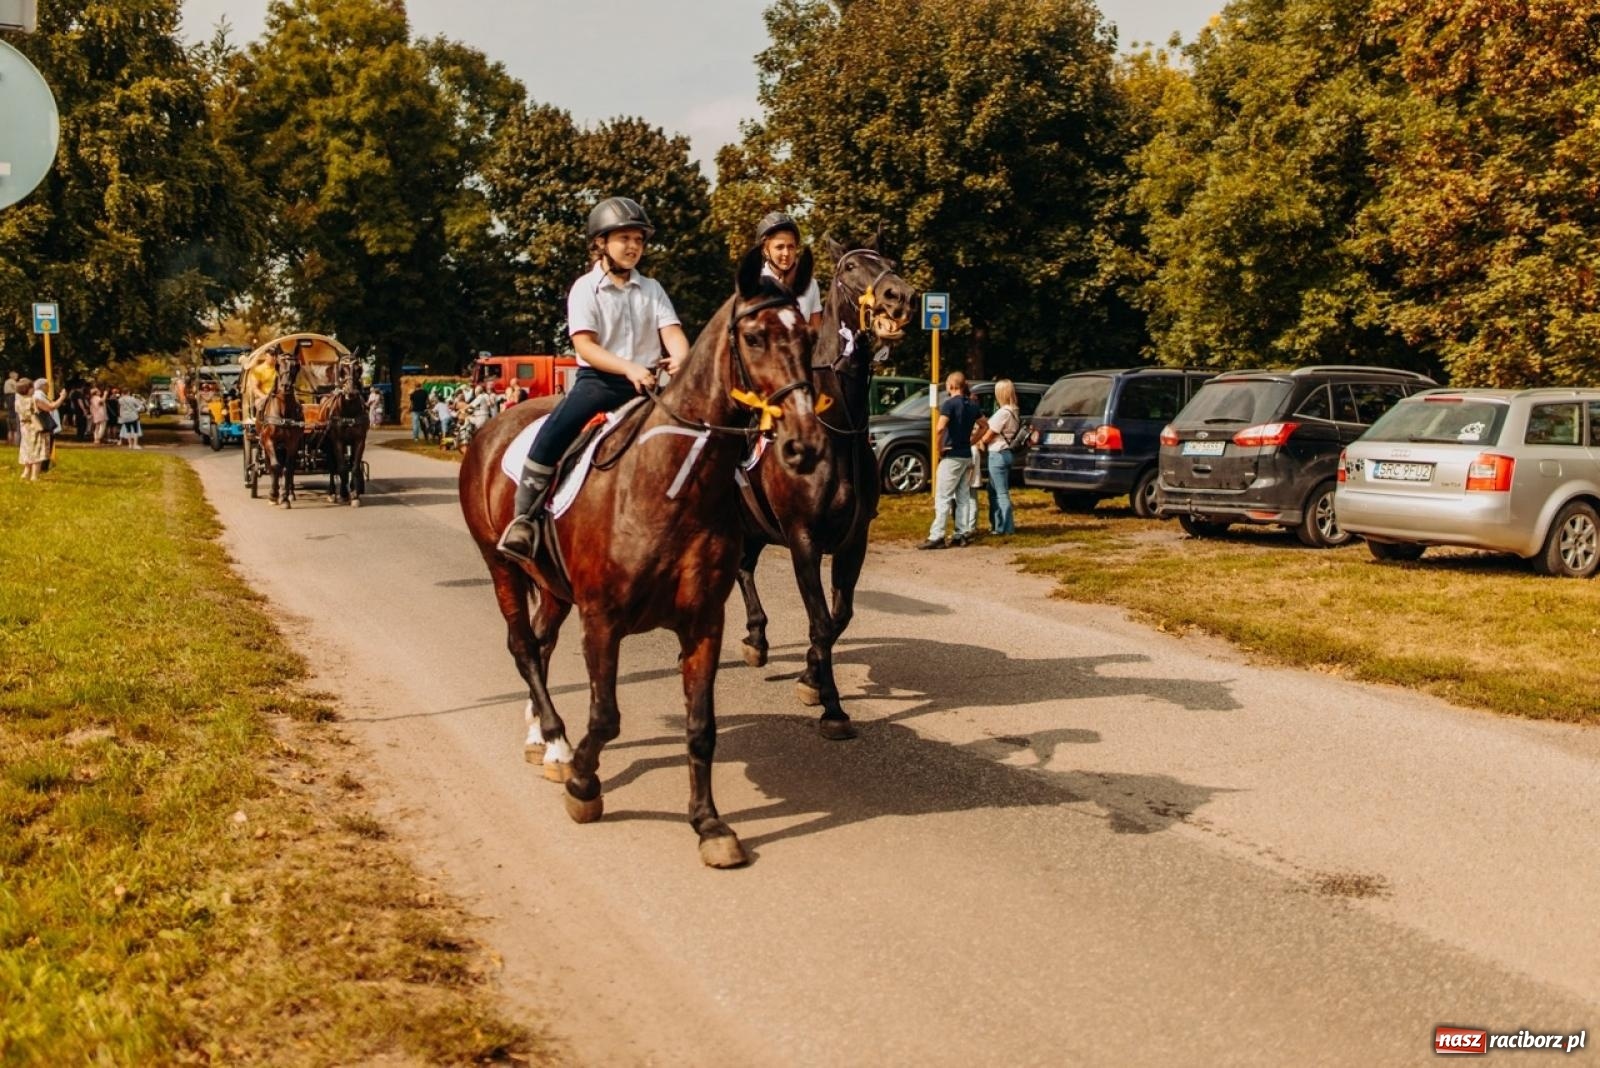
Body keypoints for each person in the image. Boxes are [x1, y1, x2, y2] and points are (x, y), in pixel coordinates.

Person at [498, 195, 690, 562]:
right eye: (624, 238)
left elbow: (673, 332)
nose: (633, 246)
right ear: (601, 242)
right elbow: (585, 346)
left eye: (639, 240)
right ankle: (524, 519)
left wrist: (682, 357)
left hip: (649, 386)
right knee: (554, 431)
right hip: (600, 383)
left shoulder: (652, 288)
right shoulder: (585, 288)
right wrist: (629, 367)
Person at [919, 371, 982, 549]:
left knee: (943, 496)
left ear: (952, 385)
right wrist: (972, 441)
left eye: (947, 384)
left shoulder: (949, 404)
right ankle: (961, 534)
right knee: (963, 496)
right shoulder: (972, 405)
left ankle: (937, 535)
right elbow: (984, 426)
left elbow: (940, 428)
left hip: (951, 454)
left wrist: (938, 448)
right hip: (966, 455)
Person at [753, 211, 823, 331]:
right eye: (779, 247)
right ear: (765, 250)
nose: (786, 253)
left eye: (791, 247)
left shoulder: (811, 285)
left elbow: (816, 332)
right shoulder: (754, 285)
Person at [978, 378, 1023, 535]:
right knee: (993, 489)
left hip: (997, 454)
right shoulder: (1014, 411)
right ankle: (997, 525)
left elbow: (989, 434)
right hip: (1007, 452)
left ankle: (1007, 527)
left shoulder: (1003, 413)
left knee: (1001, 492)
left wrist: (980, 441)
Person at [16, 378, 65, 481]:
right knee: (37, 451)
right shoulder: (34, 400)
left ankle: (25, 473)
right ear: (28, 389)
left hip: (25, 427)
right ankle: (34, 476)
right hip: (36, 427)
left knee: (28, 450)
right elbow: (51, 407)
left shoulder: (18, 401)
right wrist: (62, 397)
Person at [3, 371, 17, 445]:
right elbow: (17, 389)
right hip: (12, 397)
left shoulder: (6, 382)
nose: (17, 377)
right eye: (16, 376)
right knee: (13, 415)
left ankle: (10, 440)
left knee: (9, 414)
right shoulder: (12, 381)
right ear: (13, 376)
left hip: (7, 398)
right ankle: (14, 441)